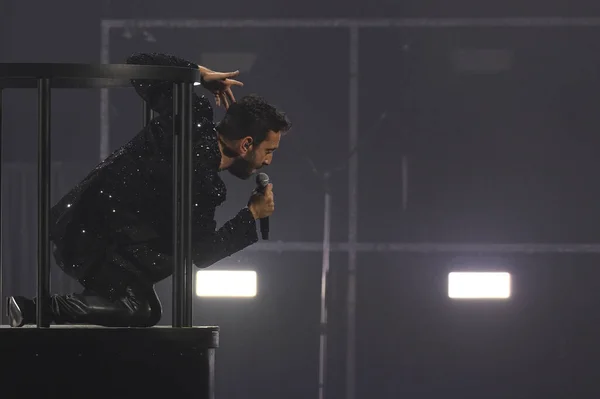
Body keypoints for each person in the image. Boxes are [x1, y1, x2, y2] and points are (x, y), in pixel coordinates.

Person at [6, 52, 291, 327]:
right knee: (141, 303)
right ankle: (41, 308)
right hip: (93, 242)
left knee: (147, 310)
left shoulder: (190, 116)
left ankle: (35, 308)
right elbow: (202, 254)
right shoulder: (203, 182)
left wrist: (196, 75)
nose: (269, 160)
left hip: (84, 222)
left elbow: (139, 64)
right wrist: (251, 214)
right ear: (245, 144)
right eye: (268, 150)